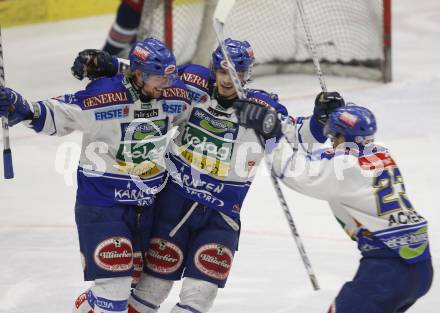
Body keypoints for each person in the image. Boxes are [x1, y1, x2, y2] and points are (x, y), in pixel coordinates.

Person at [71, 39, 344, 313]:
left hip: (222, 214)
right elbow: (152, 73)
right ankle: (93, 306)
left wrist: (321, 119)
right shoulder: (190, 84)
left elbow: (299, 135)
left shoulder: (261, 108)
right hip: (172, 206)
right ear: (214, 69)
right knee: (154, 288)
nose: (229, 80)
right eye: (224, 72)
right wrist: (112, 65)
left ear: (249, 73)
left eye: (238, 73)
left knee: (200, 295)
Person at [0, 38, 191, 313]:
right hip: (102, 205)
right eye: (159, 77)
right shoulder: (105, 96)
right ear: (138, 74)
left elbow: (203, 96)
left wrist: (113, 63)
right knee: (114, 293)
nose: (166, 83)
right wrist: (21, 107)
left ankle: (89, 305)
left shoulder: (174, 95)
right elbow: (61, 114)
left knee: (133, 287)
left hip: (147, 206)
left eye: (169, 76)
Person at [246, 104, 432, 313]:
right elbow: (311, 158)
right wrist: (283, 126)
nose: (331, 141)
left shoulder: (344, 168)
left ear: (342, 136)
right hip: (419, 265)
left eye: (334, 136)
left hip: (388, 268)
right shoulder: (378, 153)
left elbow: (291, 169)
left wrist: (271, 135)